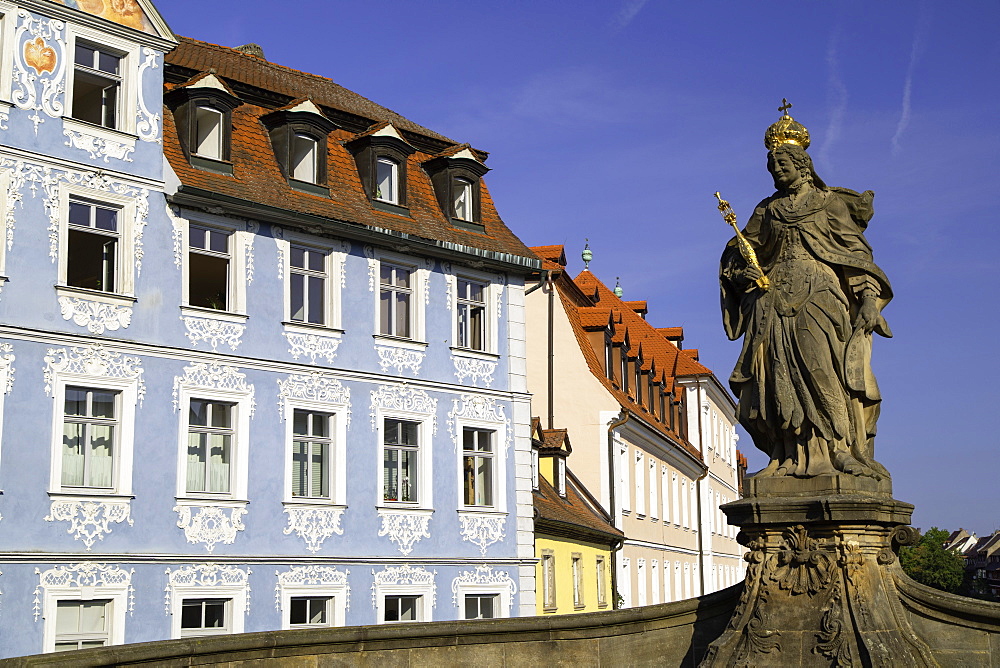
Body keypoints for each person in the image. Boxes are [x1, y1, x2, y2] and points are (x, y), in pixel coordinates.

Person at [720, 140, 892, 478]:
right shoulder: (766, 210)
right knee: (771, 376)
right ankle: (785, 457)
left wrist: (869, 299)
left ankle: (838, 450)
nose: (777, 171)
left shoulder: (827, 204)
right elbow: (737, 256)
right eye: (772, 166)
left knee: (823, 371)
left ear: (802, 163)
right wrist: (745, 273)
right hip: (769, 301)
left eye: (783, 163)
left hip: (819, 295)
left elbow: (856, 254)